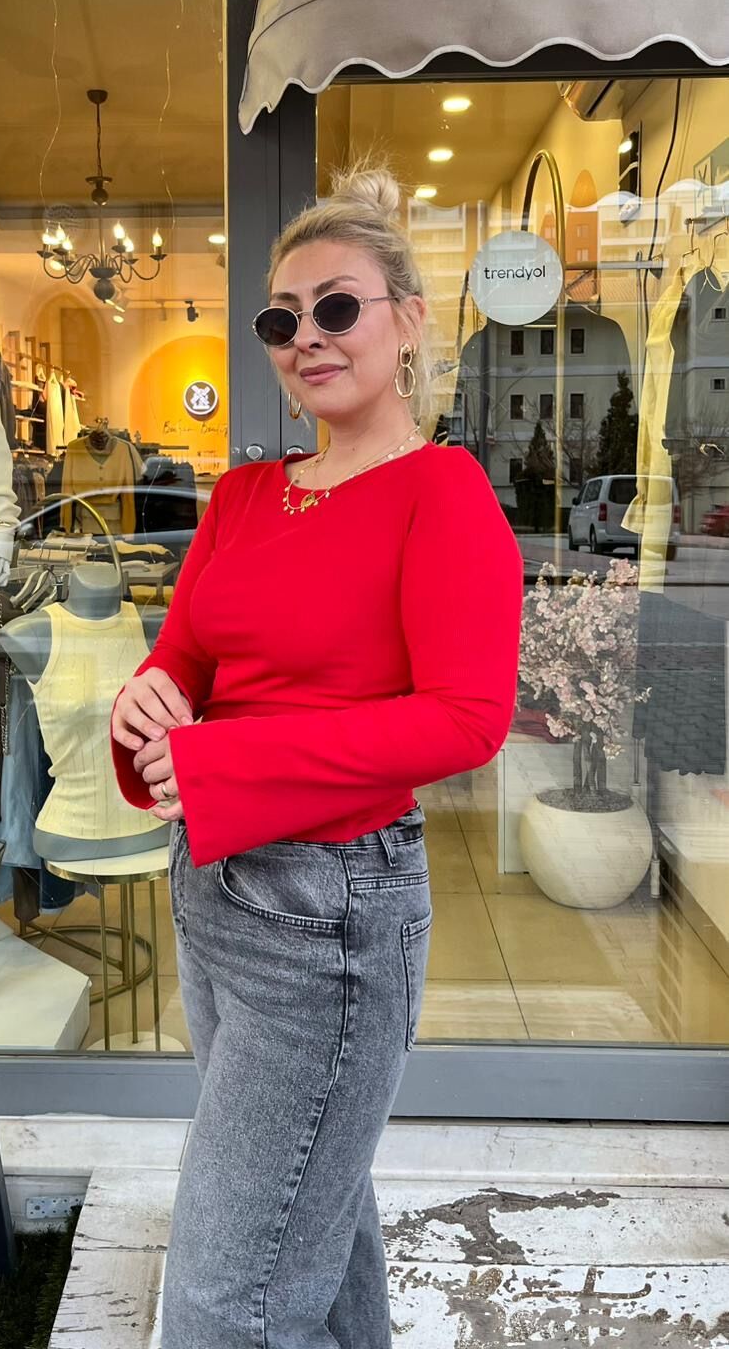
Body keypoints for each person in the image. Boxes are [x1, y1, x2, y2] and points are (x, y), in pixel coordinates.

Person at [110, 166, 523, 1349]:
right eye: (281, 318)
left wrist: (226, 764)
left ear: (409, 319)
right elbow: (184, 659)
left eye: (337, 306)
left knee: (222, 1304)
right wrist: (147, 703)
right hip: (213, 890)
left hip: (330, 914)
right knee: (314, 1217)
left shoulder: (440, 492)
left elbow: (464, 719)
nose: (306, 337)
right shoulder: (245, 495)